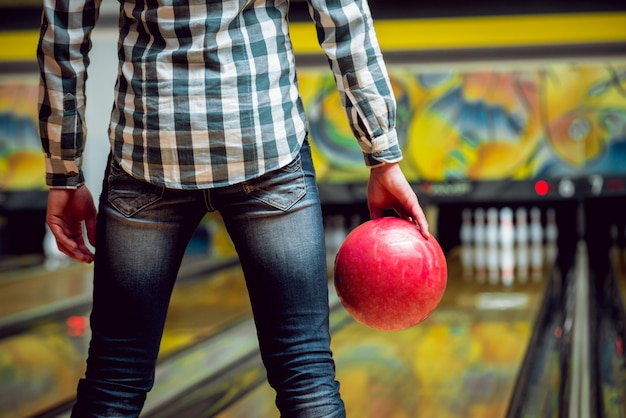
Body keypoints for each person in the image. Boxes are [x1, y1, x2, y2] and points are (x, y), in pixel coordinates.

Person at [38, 0, 430, 416]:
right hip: (267, 149)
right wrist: (382, 155)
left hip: (150, 151)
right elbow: (344, 19)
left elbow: (62, 34)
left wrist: (64, 171)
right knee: (305, 374)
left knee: (114, 379)